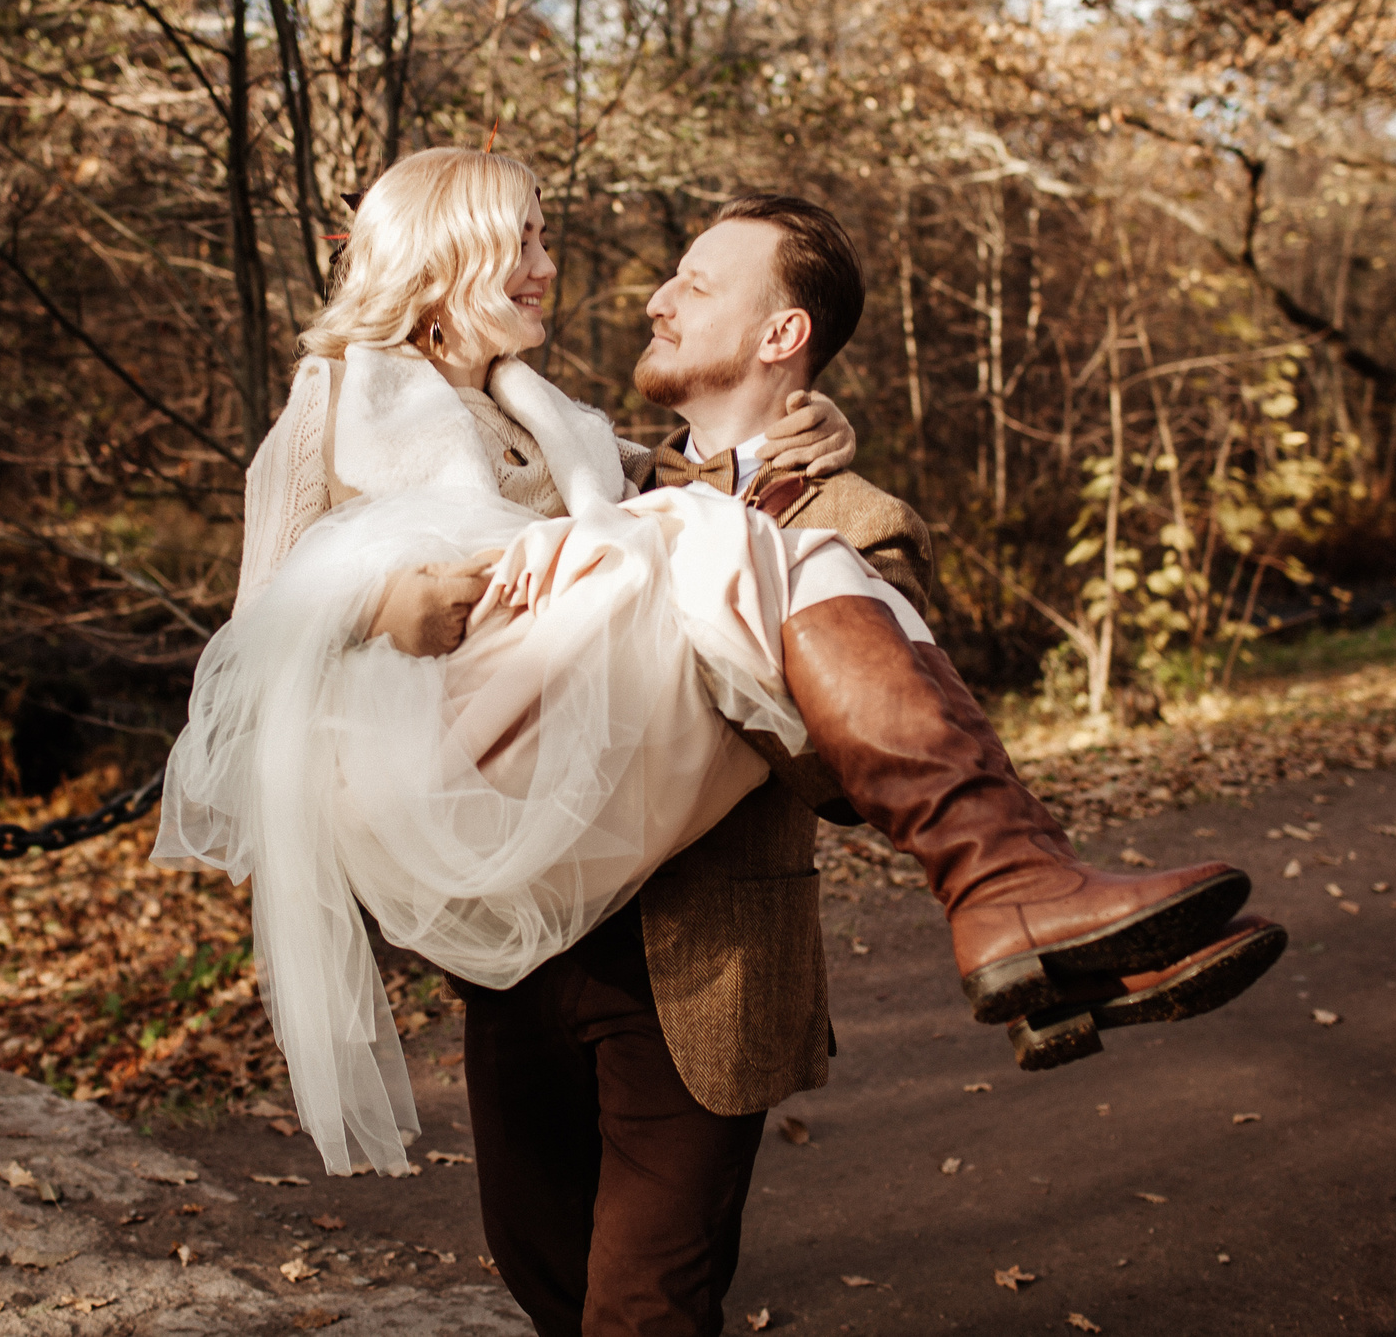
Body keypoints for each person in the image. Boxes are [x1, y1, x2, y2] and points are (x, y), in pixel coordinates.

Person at [152, 149, 1271, 1201]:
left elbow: (677, 488)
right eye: (528, 241)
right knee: (724, 539)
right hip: (432, 767)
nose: (556, 267)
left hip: (581, 791)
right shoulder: (334, 405)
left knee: (746, 536)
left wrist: (797, 429)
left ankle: (1017, 899)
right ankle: (1001, 880)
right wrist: (379, 603)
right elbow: (254, 645)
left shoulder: (550, 422)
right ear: (447, 257)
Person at [452, 192, 1284, 1337]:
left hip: (703, 973)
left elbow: (844, 784)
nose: (656, 296)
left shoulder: (852, 518)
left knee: (642, 1310)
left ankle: (1017, 897)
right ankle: (1029, 915)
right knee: (540, 1277)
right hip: (529, 951)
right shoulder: (591, 468)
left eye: (696, 282)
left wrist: (756, 540)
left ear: (781, 336)